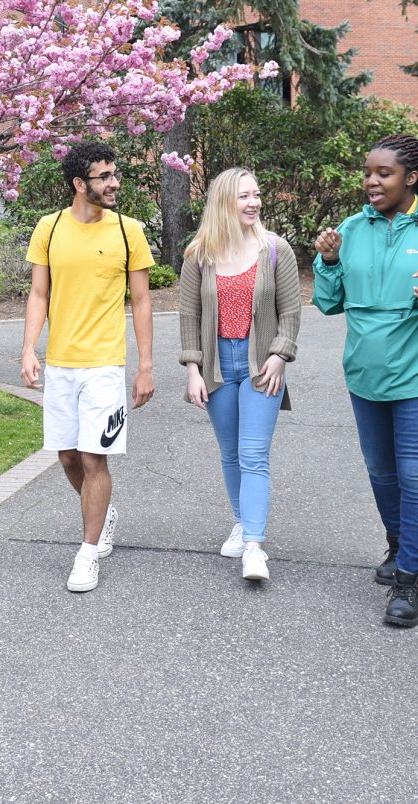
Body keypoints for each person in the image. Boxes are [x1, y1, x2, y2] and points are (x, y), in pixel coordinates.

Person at [21, 140, 155, 593]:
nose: (115, 183)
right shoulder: (49, 227)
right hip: (61, 363)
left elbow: (141, 300)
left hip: (104, 364)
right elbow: (39, 294)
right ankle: (103, 511)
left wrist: (145, 366)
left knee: (94, 458)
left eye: (115, 174)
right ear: (80, 184)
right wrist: (28, 350)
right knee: (67, 456)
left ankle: (87, 551)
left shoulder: (127, 231)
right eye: (104, 176)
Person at [313, 133, 418, 628]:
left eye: (384, 174)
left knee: (415, 477)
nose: (372, 181)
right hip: (364, 375)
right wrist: (329, 262)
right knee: (381, 473)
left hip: (414, 376)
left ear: (411, 179)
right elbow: (329, 303)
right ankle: (399, 547)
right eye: (368, 172)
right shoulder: (350, 229)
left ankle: (410, 579)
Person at [178, 167, 301, 582]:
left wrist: (281, 355)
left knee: (253, 454)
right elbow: (189, 315)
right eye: (244, 196)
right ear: (223, 203)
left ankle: (254, 547)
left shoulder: (274, 249)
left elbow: (291, 311)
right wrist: (193, 369)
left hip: (259, 364)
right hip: (216, 365)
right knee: (230, 453)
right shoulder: (199, 254)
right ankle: (241, 520)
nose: (254, 203)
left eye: (257, 195)